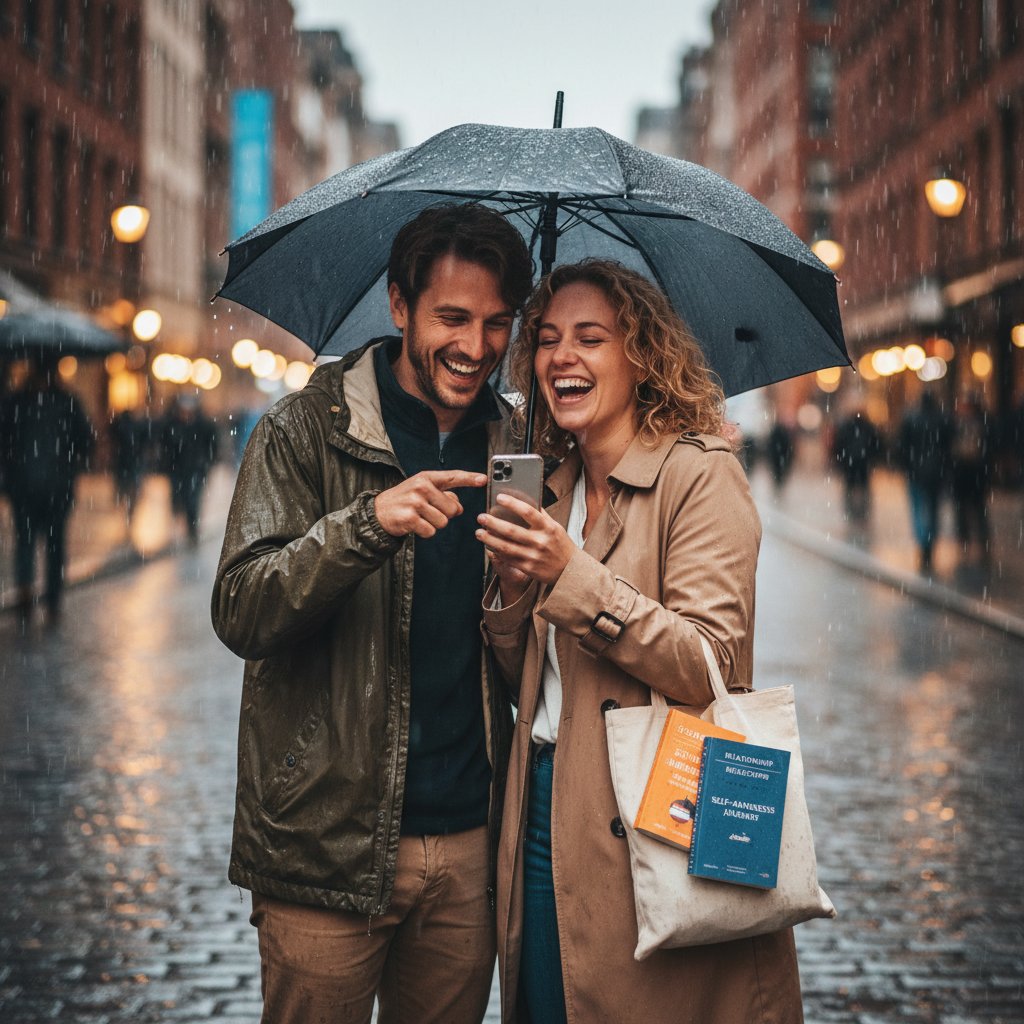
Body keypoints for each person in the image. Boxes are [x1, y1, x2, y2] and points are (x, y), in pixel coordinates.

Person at [210, 203, 534, 1024]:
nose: (476, 347)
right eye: (452, 318)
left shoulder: (522, 447)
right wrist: (366, 525)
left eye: (498, 323)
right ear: (399, 306)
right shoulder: (303, 430)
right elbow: (243, 606)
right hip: (326, 843)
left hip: (468, 841)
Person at [476, 260, 803, 1023]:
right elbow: (526, 676)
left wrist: (571, 575)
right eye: (549, 340)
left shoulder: (700, 474)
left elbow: (709, 663)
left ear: (640, 355)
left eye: (591, 338)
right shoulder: (546, 485)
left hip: (658, 811)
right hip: (544, 808)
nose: (564, 358)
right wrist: (513, 588)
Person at [0, 358, 94, 623]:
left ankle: (25, 595)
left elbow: (4, 440)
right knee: (54, 545)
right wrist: (70, 462)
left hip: (25, 487)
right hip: (56, 487)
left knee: (26, 542)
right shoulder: (67, 402)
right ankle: (51, 601)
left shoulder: (16, 401)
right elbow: (86, 441)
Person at [897, 389, 951, 573]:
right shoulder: (942, 419)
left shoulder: (911, 419)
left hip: (916, 473)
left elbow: (902, 447)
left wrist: (907, 466)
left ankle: (923, 544)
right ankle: (930, 544)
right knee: (934, 510)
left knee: (918, 509)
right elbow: (948, 449)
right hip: (936, 473)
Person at [159, 394, 219, 544]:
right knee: (178, 498)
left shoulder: (203, 425)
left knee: (193, 500)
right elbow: (165, 446)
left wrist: (208, 462)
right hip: (177, 469)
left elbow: (212, 444)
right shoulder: (172, 425)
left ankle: (192, 529)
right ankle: (181, 525)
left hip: (196, 469)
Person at [949, 391, 995, 565]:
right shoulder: (958, 424)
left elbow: (988, 450)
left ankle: (980, 545)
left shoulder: (979, 424)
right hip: (964, 476)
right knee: (964, 512)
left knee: (977, 511)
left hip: (973, 475)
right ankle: (966, 543)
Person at [830, 402, 883, 523]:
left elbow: (839, 444)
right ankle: (862, 512)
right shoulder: (868, 426)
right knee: (863, 487)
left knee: (850, 487)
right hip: (863, 463)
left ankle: (851, 511)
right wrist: (873, 458)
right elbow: (876, 443)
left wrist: (840, 460)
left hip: (850, 463)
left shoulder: (846, 426)